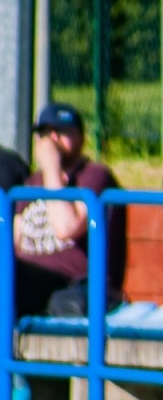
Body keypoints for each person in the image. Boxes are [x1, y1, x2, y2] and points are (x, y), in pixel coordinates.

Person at [14, 102, 125, 318]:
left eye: (61, 132)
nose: (53, 140)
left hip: (67, 282)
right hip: (24, 276)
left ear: (82, 138)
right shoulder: (32, 182)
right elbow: (14, 238)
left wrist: (51, 168)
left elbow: (67, 227)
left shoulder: (94, 175)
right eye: (46, 134)